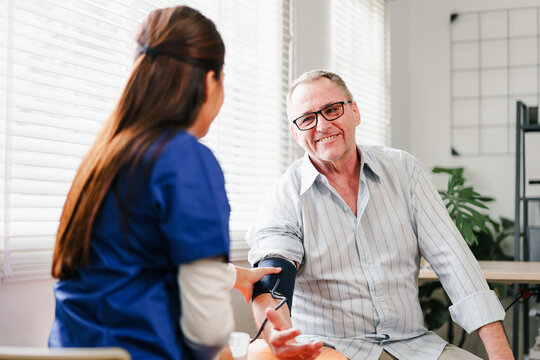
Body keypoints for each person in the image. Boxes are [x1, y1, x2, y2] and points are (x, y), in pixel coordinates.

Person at [48, 6, 279, 360]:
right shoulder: (186, 158)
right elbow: (207, 332)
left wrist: (234, 276)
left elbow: (134, 264)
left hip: (68, 350)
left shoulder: (102, 158)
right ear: (209, 81)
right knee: (267, 352)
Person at [247, 70, 514, 360]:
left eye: (332, 110)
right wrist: (278, 334)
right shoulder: (284, 194)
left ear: (355, 112)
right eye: (307, 118)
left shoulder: (403, 170)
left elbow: (453, 259)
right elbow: (273, 274)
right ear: (295, 132)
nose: (322, 126)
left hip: (414, 345)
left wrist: (501, 353)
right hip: (332, 350)